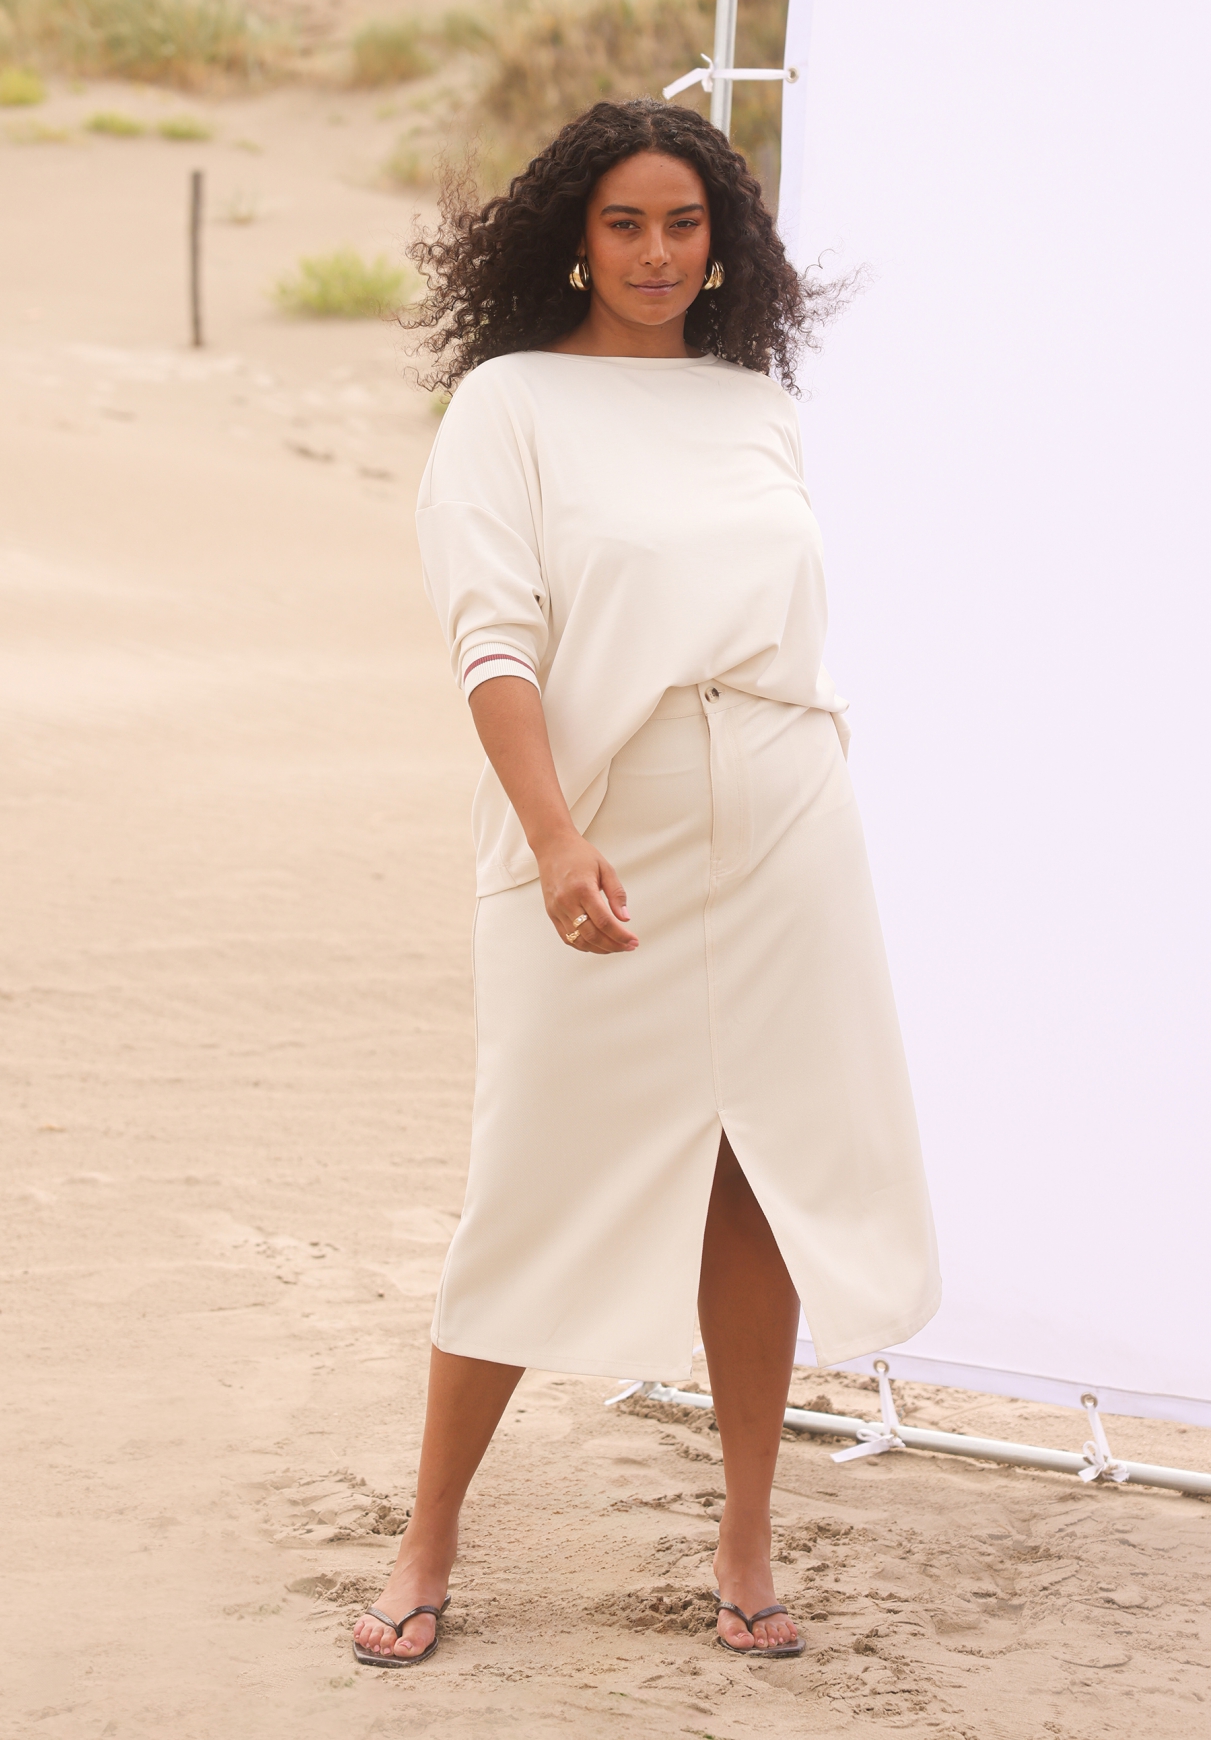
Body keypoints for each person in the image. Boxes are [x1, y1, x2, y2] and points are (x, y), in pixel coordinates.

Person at [352, 97, 939, 1670]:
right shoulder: (508, 403)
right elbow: (493, 641)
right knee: (529, 1174)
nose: (658, 253)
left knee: (760, 1170)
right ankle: (427, 1535)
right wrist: (554, 836)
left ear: (723, 242)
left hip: (787, 825)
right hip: (601, 820)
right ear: (574, 236)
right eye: (626, 223)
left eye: (686, 223)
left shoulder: (757, 407)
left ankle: (745, 1538)